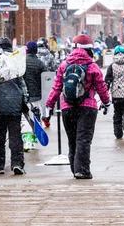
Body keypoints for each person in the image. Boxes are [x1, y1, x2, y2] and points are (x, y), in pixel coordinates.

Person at [46, 34, 110, 179]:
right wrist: (106, 102)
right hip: (87, 107)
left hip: (67, 107)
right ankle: (82, 170)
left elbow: (56, 87)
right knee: (84, 139)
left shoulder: (64, 65)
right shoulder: (92, 66)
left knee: (72, 139)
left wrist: (49, 106)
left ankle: (75, 169)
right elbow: (101, 87)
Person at [0, 37, 27, 176]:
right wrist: (25, 102)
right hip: (15, 105)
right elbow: (22, 85)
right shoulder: (15, 61)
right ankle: (17, 163)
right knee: (15, 136)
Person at [105, 45, 124, 139]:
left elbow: (107, 80)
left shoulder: (112, 66)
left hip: (116, 94)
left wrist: (106, 90)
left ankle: (118, 133)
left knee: (117, 113)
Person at [23, 41, 47, 147]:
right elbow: (46, 79)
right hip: (37, 96)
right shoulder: (40, 64)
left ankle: (28, 140)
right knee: (36, 116)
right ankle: (35, 136)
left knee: (25, 118)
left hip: (24, 96)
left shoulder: (22, 62)